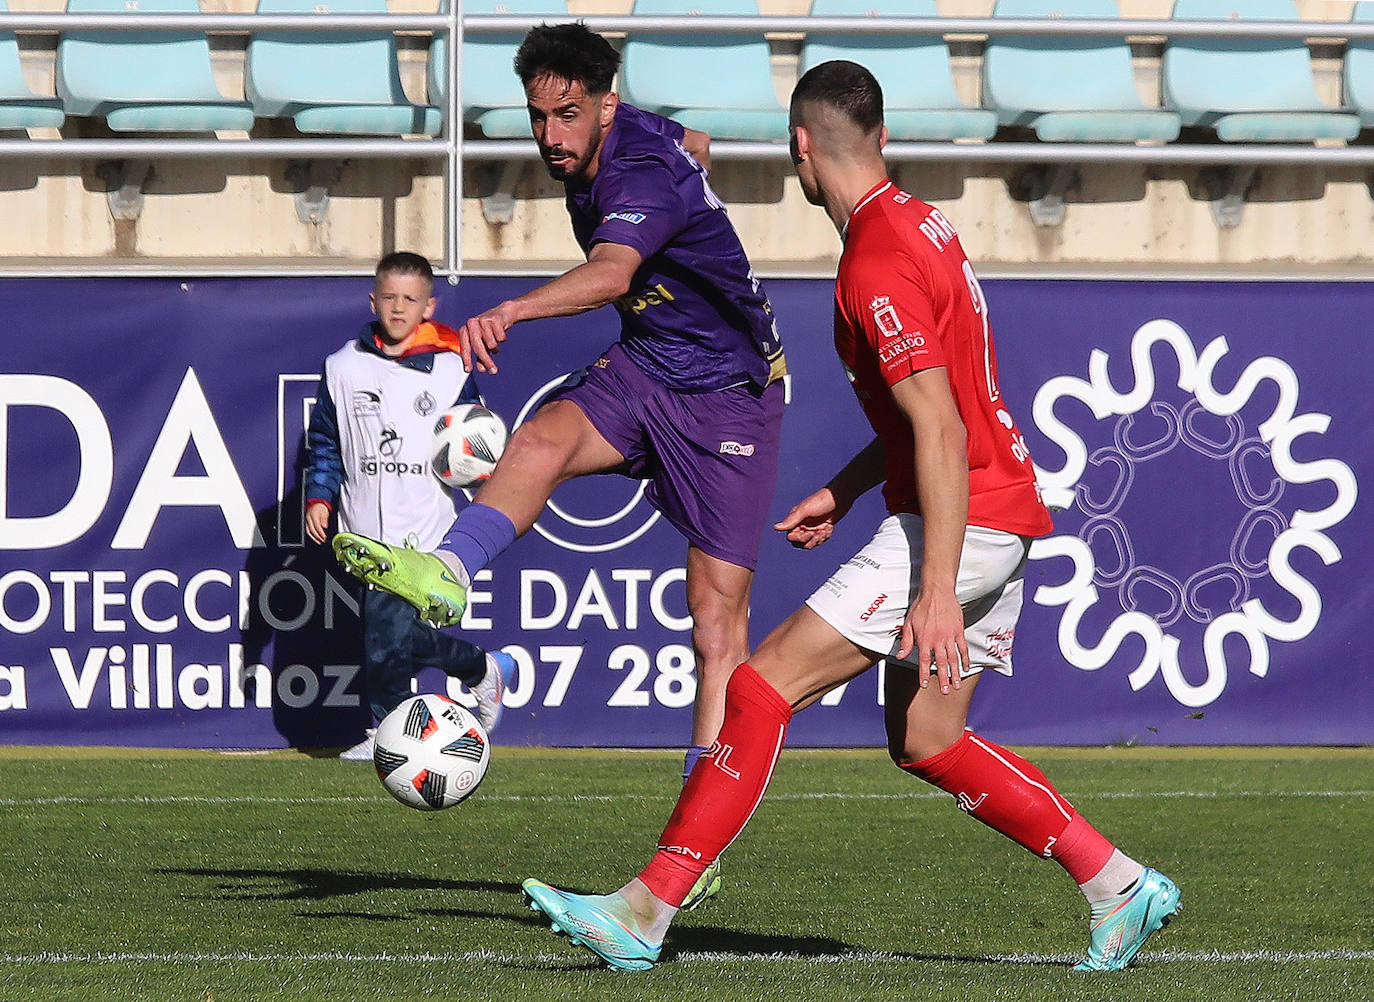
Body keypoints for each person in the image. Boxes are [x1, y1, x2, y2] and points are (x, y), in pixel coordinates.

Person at [518, 60, 1182, 973]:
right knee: (928, 740)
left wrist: (938, 590)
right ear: (879, 137)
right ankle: (1118, 883)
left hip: (963, 525)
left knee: (756, 689)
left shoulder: (874, 261)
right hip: (1001, 513)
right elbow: (936, 408)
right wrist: (848, 485)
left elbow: (941, 430)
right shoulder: (923, 225)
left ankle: (646, 907)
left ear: (801, 147)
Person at [331, 22, 787, 903]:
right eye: (539, 116)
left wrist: (513, 310)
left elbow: (614, 273)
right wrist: (697, 164)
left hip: (732, 393)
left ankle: (698, 838)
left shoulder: (638, 172)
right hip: (653, 363)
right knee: (538, 438)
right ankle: (448, 572)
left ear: (604, 105)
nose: (550, 136)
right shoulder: (628, 138)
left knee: (714, 621)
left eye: (568, 115)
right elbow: (692, 143)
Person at [305, 251, 514, 760]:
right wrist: (319, 496)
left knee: (385, 625)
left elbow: (476, 437)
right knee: (391, 630)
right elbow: (327, 443)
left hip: (427, 528)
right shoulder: (341, 367)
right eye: (390, 297)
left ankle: (389, 734)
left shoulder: (448, 368)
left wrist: (476, 465)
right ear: (374, 300)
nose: (399, 309)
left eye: (411, 299)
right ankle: (482, 668)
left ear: (429, 305)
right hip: (361, 528)